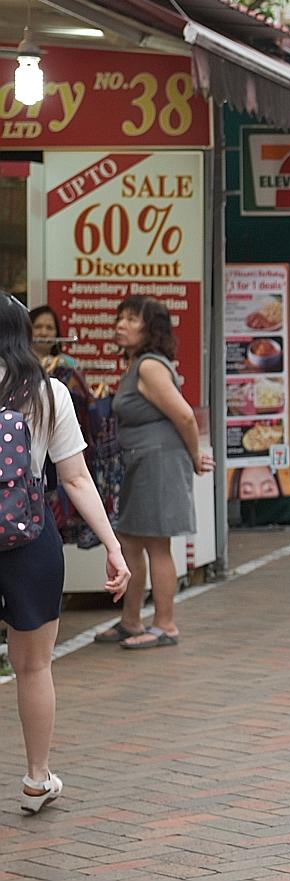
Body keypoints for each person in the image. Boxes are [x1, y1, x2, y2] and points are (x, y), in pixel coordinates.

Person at [0, 296, 131, 813]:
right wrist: (113, 546)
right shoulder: (49, 393)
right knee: (33, 667)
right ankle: (36, 778)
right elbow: (75, 478)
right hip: (30, 541)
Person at [98, 296, 213, 650]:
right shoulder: (138, 365)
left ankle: (165, 625)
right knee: (131, 541)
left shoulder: (150, 366)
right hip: (142, 461)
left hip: (158, 462)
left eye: (132, 319)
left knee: (156, 545)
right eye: (120, 317)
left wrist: (195, 457)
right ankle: (131, 621)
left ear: (151, 329)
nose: (121, 324)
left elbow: (184, 416)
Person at [29, 306, 95, 546]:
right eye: (38, 326)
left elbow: (85, 403)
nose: (44, 332)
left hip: (64, 448)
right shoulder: (17, 369)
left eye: (49, 327)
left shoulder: (68, 366)